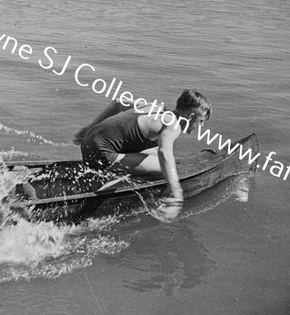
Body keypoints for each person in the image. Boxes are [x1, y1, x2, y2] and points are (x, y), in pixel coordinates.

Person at [74, 90, 211, 222]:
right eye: (201, 121)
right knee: (165, 166)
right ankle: (112, 184)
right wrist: (176, 193)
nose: (201, 125)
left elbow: (118, 102)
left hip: (88, 142)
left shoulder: (155, 107)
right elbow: (165, 153)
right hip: (100, 155)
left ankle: (115, 171)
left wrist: (87, 129)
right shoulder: (173, 125)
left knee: (154, 150)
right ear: (191, 117)